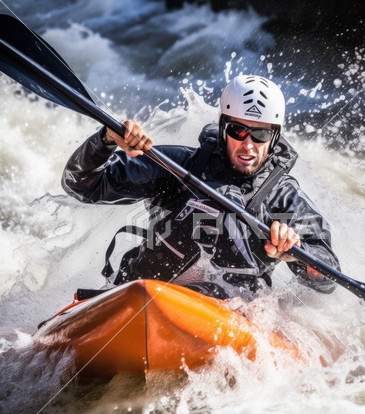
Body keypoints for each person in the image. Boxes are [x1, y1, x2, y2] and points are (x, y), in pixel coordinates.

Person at [62, 75, 340, 299]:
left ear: (274, 137)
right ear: (222, 127)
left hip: (229, 314)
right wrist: (105, 140)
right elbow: (81, 184)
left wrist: (296, 253)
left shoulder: (283, 197)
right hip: (149, 296)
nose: (248, 144)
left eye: (260, 134)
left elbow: (329, 277)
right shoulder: (178, 166)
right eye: (238, 131)